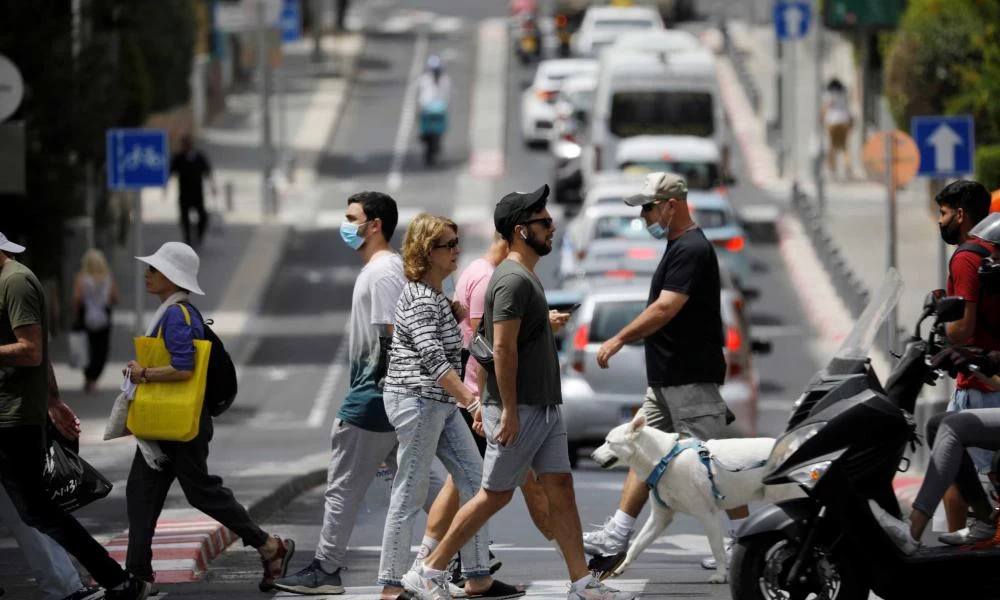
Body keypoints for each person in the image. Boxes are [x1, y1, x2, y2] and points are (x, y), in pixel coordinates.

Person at [401, 184, 636, 600]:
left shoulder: (524, 277)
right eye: (543, 221)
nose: (552, 226)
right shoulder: (510, 281)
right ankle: (430, 570)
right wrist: (507, 410)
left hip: (542, 406)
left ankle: (582, 582)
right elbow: (502, 348)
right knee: (493, 495)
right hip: (520, 408)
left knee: (560, 487)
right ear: (520, 230)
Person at [273, 192, 444, 596]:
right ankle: (470, 551)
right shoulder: (381, 269)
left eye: (353, 218)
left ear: (375, 224)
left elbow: (394, 337)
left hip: (373, 399)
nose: (346, 225)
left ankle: (326, 569)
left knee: (343, 487)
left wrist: (385, 394)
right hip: (387, 399)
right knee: (427, 485)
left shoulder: (383, 272)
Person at [584, 172, 743, 573]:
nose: (644, 217)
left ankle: (745, 540)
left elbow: (665, 308)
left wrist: (618, 339)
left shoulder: (691, 248)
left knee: (713, 463)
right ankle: (618, 534)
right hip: (666, 381)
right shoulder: (678, 246)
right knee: (642, 453)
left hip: (688, 378)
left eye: (649, 208)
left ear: (671, 205)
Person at [123, 241, 294, 592]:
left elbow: (183, 368)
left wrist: (143, 374)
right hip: (164, 423)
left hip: (181, 424)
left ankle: (269, 546)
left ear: (171, 277)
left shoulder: (176, 315)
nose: (147, 274)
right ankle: (137, 576)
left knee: (201, 492)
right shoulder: (174, 312)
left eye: (154, 269)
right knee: (141, 494)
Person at [0, 231, 151, 600]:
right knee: (35, 512)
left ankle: (117, 580)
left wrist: (48, 402)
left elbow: (33, 351)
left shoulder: (15, 282)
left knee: (39, 512)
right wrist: (53, 399)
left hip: (13, 420)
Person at [378, 214, 522, 600]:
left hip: (438, 404)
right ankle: (392, 586)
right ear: (427, 251)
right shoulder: (422, 298)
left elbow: (451, 346)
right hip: (419, 400)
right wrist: (472, 401)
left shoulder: (436, 297)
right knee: (410, 490)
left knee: (475, 481)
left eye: (457, 242)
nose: (457, 250)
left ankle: (477, 577)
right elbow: (435, 362)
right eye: (449, 244)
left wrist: (453, 315)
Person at [935, 179, 1000, 532]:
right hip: (990, 379)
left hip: (979, 385)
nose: (940, 222)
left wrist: (939, 331)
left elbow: (962, 327)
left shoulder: (964, 258)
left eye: (943, 214)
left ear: (960, 214)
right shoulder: (990, 251)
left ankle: (963, 559)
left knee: (958, 476)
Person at [72, 249, 120, 393]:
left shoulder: (81, 278)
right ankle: (93, 378)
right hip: (104, 317)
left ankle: (88, 377)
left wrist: (75, 314)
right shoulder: (108, 278)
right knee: (101, 349)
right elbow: (115, 298)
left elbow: (77, 298)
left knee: (87, 348)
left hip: (85, 316)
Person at [169, 134, 216, 247]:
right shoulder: (178, 157)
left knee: (203, 216)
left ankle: (199, 237)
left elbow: (208, 172)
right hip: (184, 193)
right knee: (184, 218)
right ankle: (188, 239)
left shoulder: (199, 156)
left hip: (197, 193)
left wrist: (213, 187)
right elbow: (170, 173)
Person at [821, 78, 852, 180]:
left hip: (832, 122)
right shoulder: (844, 94)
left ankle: (832, 170)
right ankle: (847, 167)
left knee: (832, 147)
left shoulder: (829, 94)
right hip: (844, 121)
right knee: (844, 147)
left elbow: (827, 106)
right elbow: (848, 108)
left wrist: (822, 117)